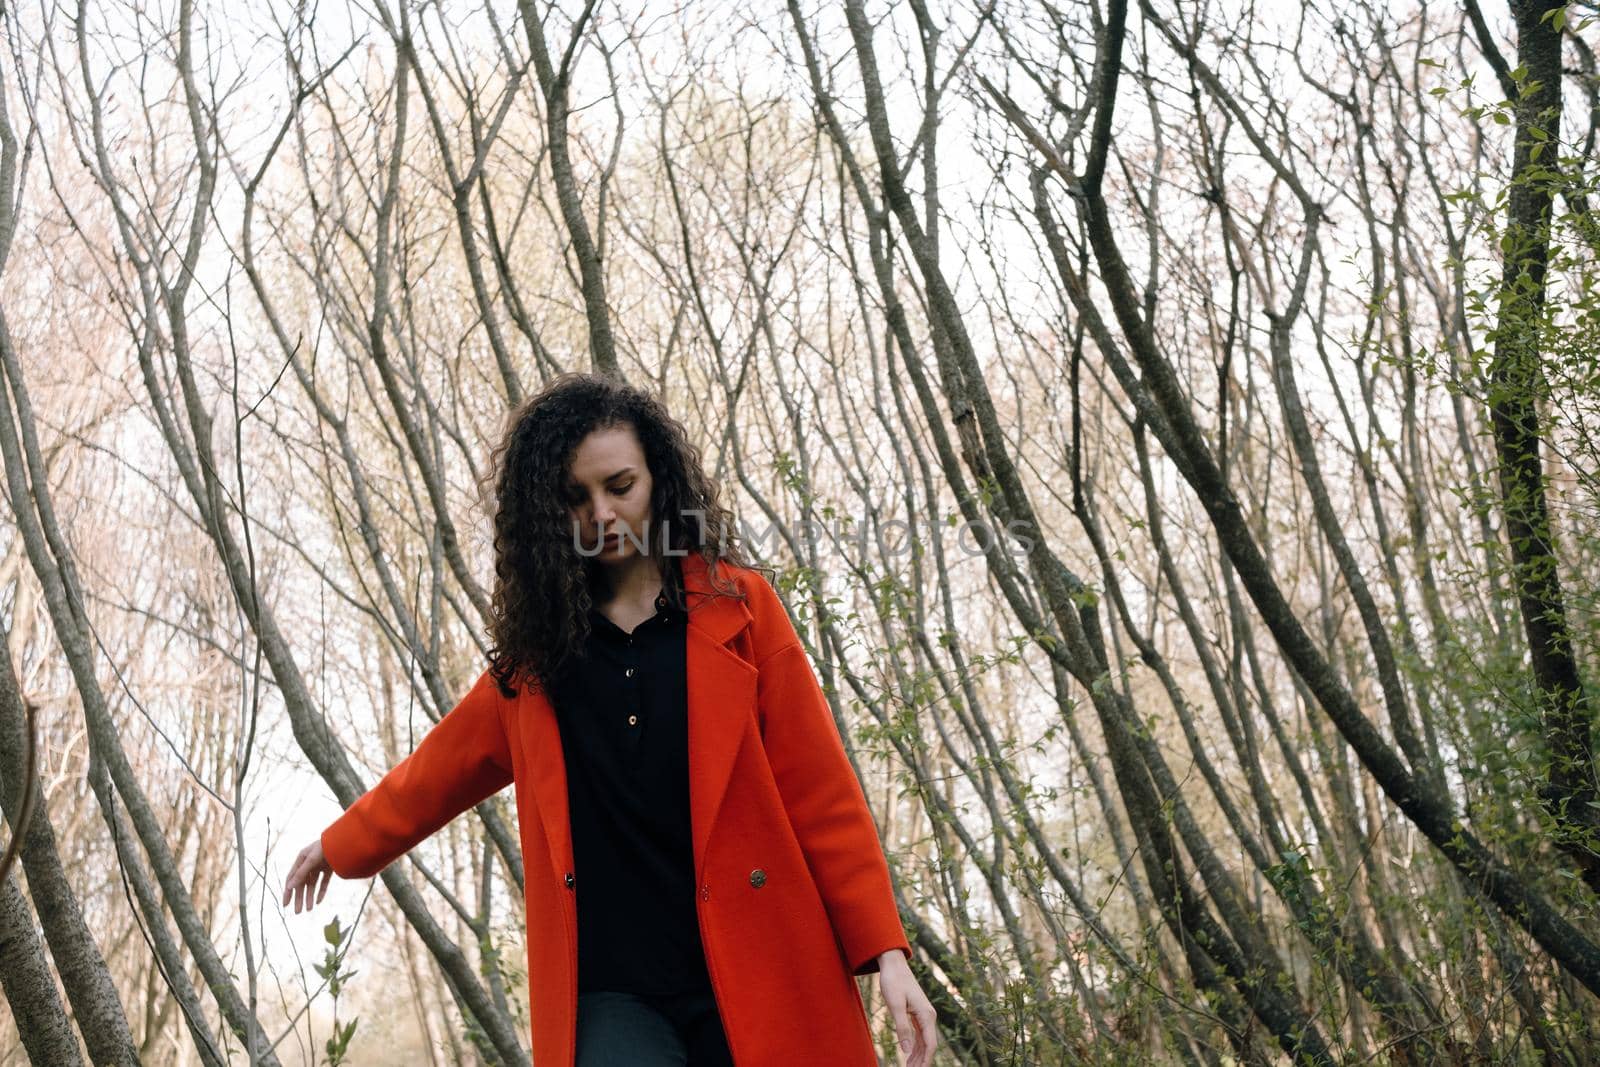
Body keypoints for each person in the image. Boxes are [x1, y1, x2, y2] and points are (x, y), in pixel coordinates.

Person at [281, 373, 939, 1066]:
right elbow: (436, 771)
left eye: (619, 486)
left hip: (758, 963)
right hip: (610, 993)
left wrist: (888, 954)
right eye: (576, 497)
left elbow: (823, 794)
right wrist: (339, 844)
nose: (601, 513)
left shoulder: (743, 611)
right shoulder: (536, 662)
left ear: (659, 479)